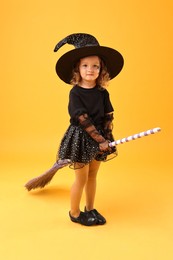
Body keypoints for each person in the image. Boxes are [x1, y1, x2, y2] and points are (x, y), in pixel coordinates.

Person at [54, 33, 124, 226]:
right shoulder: (75, 93)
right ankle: (75, 213)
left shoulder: (103, 92)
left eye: (95, 66)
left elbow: (108, 115)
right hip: (81, 139)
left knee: (93, 175)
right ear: (77, 68)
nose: (90, 70)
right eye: (85, 65)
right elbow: (82, 119)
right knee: (81, 178)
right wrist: (99, 140)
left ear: (101, 69)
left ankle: (90, 208)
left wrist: (107, 137)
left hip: (100, 137)